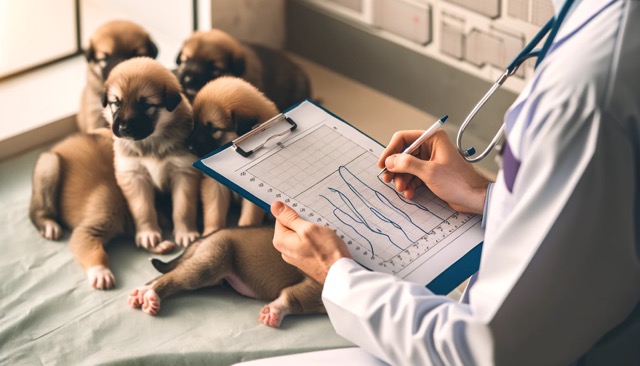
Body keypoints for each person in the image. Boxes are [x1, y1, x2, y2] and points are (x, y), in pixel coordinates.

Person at [266, 0, 640, 365]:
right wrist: (484, 197)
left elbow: (487, 351)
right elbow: (608, 211)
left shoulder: (586, 94)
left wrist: (337, 273)